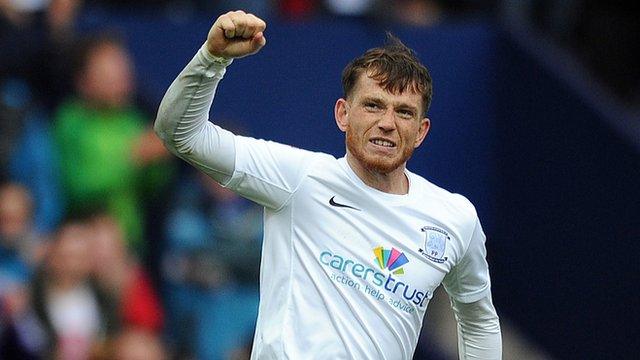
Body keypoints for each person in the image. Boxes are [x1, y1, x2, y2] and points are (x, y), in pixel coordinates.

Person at [155, 10, 501, 359]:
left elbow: (478, 320)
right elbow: (181, 133)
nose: (387, 123)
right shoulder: (298, 179)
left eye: (404, 112)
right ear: (343, 114)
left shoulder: (454, 219)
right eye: (373, 105)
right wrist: (211, 59)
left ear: (421, 131)